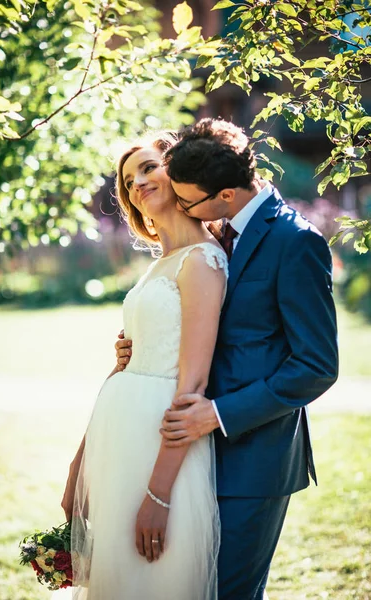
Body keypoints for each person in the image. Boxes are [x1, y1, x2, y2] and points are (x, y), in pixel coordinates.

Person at [116, 118, 339, 599]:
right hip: (195, 455)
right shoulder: (217, 233)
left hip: (254, 459)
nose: (178, 206)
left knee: (227, 592)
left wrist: (217, 414)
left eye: (185, 198)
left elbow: (316, 365)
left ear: (222, 196)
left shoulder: (296, 242)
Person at [61, 130, 229, 600]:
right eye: (129, 179)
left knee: (155, 580)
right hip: (119, 444)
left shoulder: (202, 261)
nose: (137, 182)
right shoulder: (160, 264)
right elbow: (126, 368)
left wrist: (158, 495)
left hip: (160, 447)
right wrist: (80, 465)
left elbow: (192, 383)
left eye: (149, 167)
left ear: (176, 171)